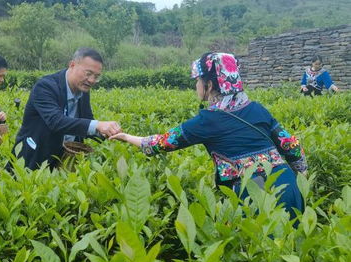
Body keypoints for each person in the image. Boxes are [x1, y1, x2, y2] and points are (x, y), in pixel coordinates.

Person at [110, 52, 308, 221]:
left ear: (210, 85)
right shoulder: (257, 109)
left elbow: (161, 143)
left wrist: (127, 137)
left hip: (253, 194)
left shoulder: (207, 120)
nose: (196, 85)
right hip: (289, 186)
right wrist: (301, 180)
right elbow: (291, 146)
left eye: (198, 80)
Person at [11, 47, 122, 170]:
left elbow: (86, 120)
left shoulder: (83, 89)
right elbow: (56, 121)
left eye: (96, 76)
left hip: (64, 159)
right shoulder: (45, 86)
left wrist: (108, 133)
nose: (91, 80)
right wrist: (98, 125)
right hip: (34, 157)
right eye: (88, 73)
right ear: (72, 65)